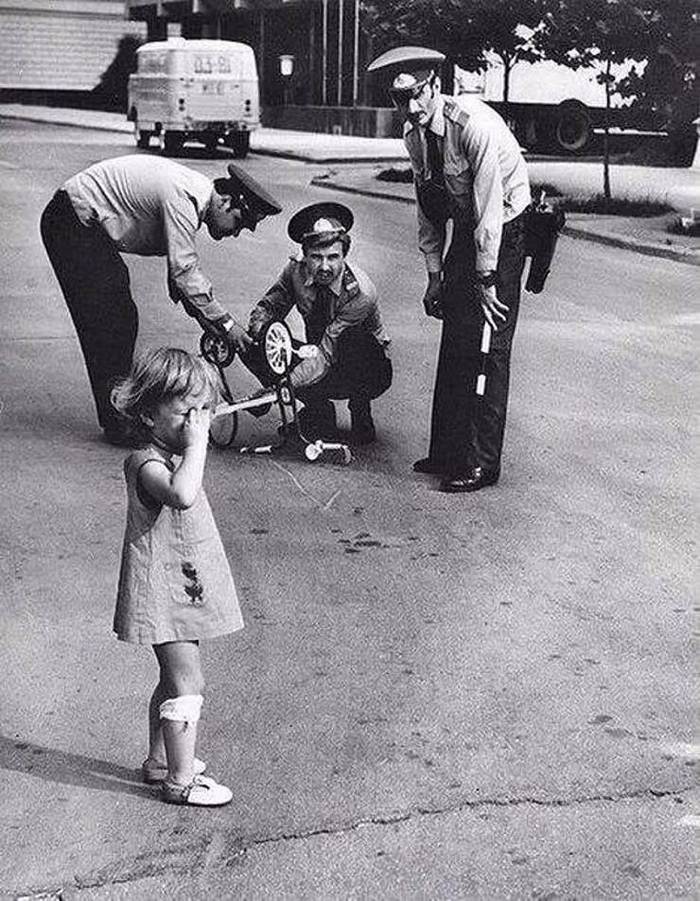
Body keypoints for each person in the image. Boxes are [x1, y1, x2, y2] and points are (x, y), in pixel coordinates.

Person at [367, 47, 531, 492]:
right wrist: (435, 275)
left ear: (435, 85)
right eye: (401, 100)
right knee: (456, 334)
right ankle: (448, 451)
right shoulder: (414, 136)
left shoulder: (469, 125)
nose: (412, 107)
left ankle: (481, 462)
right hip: (468, 223)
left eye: (418, 94)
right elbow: (429, 207)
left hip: (506, 225)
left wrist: (486, 278)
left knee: (486, 343)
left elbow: (490, 209)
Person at [40, 156, 282, 446]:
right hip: (71, 221)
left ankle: (118, 413)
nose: (235, 232)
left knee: (117, 313)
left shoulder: (192, 196)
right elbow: (183, 273)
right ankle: (118, 423)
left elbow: (180, 283)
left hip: (83, 225)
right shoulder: (184, 196)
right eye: (239, 223)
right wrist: (228, 325)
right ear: (227, 201)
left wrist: (215, 326)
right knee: (110, 319)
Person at [110, 347, 243, 806]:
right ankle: (180, 781)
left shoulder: (173, 451)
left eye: (203, 410)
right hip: (160, 591)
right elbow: (182, 495)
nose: (196, 421)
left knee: (171, 677)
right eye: (185, 411)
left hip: (179, 585)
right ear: (149, 414)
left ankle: (159, 760)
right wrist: (198, 443)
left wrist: (192, 438)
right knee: (189, 681)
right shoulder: (146, 463)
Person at [240, 202, 392, 444]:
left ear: (344, 255)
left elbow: (325, 356)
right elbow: (268, 308)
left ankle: (361, 409)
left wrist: (277, 389)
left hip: (363, 368)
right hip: (317, 355)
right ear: (305, 255)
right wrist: (261, 333)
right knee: (253, 341)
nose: (324, 266)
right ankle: (319, 412)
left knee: (352, 340)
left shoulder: (360, 292)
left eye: (333, 257)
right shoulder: (295, 271)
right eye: (316, 257)